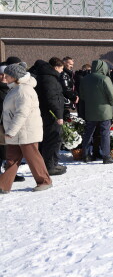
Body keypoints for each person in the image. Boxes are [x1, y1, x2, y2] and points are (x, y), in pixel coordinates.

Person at [0, 63, 53, 193]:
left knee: (33, 158)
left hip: (25, 131)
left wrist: (11, 131)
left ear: (15, 77)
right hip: (16, 132)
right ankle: (3, 185)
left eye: (7, 75)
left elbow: (22, 113)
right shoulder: (16, 88)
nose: (4, 77)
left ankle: (45, 181)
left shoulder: (23, 90)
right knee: (11, 159)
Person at [29, 58, 67, 175]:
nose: (62, 71)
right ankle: (50, 166)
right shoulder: (49, 78)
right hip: (50, 114)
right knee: (53, 139)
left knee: (49, 139)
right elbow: (52, 98)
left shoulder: (44, 76)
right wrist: (59, 115)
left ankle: (51, 163)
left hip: (45, 112)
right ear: (55, 68)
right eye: (61, 68)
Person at [79, 60, 113, 164]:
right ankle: (106, 156)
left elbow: (82, 95)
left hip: (90, 110)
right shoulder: (105, 78)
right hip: (104, 111)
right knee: (105, 133)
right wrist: (112, 104)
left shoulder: (85, 79)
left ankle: (86, 155)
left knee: (88, 133)